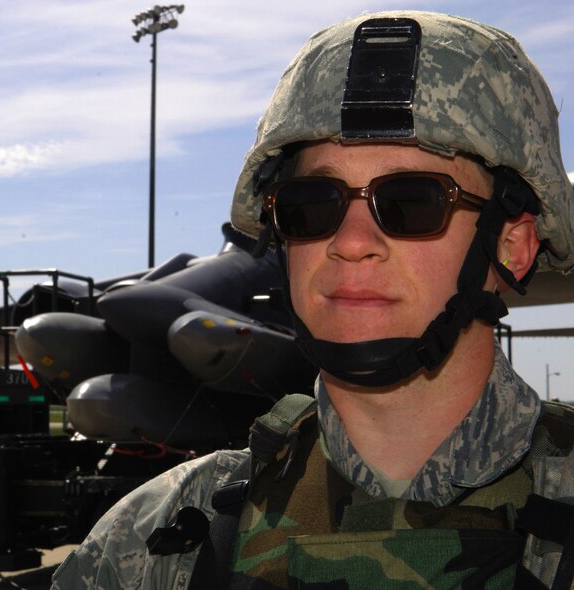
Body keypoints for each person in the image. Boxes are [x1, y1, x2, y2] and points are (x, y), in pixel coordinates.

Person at [52, 10, 574, 589]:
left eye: (412, 202)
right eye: (312, 203)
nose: (349, 243)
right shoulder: (161, 541)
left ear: (512, 244)